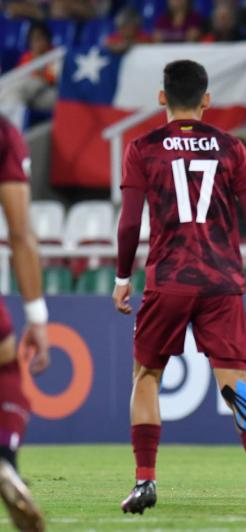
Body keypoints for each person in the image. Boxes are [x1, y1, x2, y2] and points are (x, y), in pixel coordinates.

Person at [113, 60, 246, 517]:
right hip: (221, 279)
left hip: (169, 278)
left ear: (162, 97)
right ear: (207, 100)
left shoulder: (142, 148)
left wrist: (122, 278)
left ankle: (145, 480)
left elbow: (130, 222)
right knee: (235, 382)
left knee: (147, 376)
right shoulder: (232, 147)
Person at [0, 114, 50, 532]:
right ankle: (5, 462)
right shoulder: (4, 133)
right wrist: (37, 317)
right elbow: (20, 234)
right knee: (6, 369)